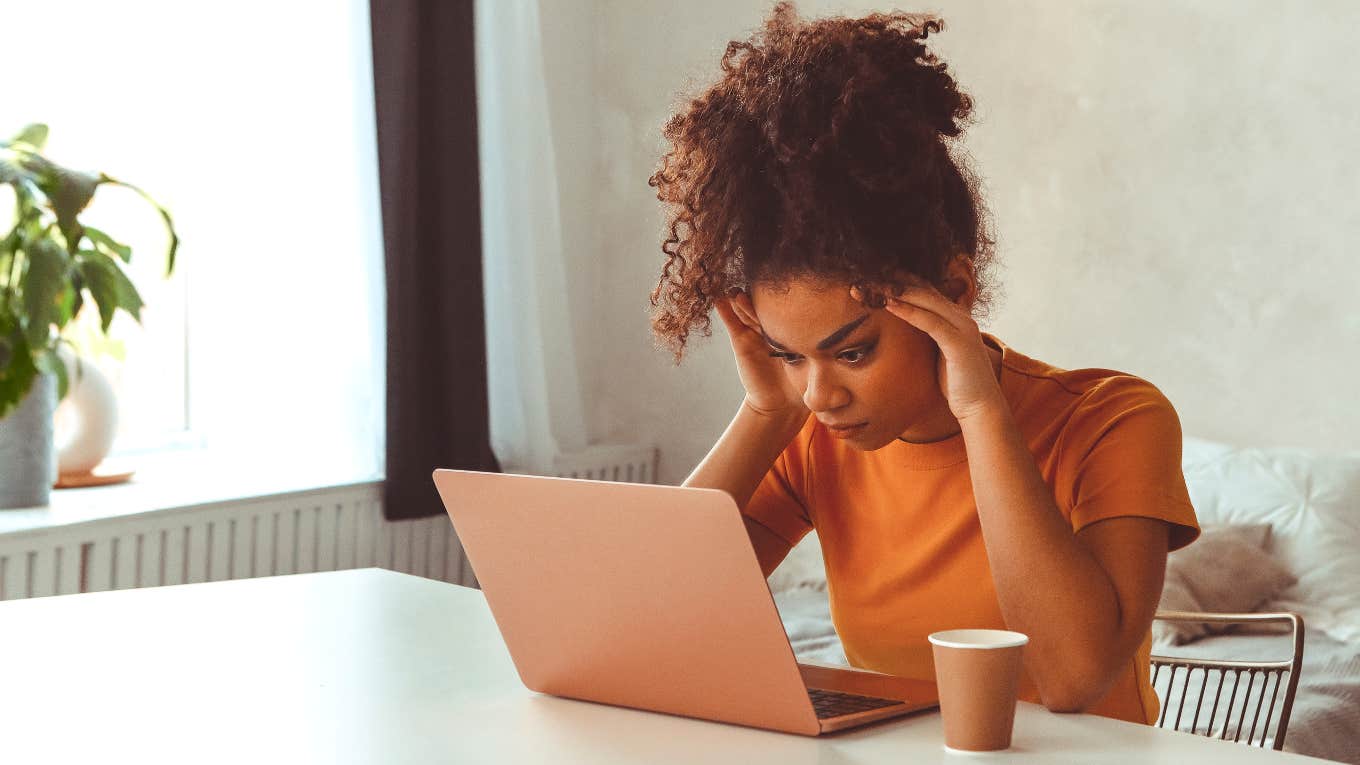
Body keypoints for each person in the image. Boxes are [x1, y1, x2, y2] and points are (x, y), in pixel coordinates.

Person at [646, 3, 1199, 724]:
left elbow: (1072, 678)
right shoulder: (810, 436)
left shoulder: (1113, 420)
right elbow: (650, 621)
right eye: (788, 355)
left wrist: (980, 415)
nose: (819, 394)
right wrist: (763, 411)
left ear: (954, 294)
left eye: (852, 350)